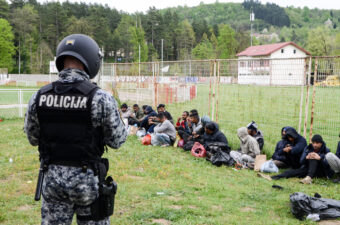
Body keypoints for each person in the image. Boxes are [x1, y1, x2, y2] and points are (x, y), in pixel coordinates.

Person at [24, 34, 127, 224]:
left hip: (52, 181)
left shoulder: (39, 96)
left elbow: (32, 138)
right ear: (90, 60)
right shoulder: (100, 98)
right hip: (87, 183)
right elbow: (117, 140)